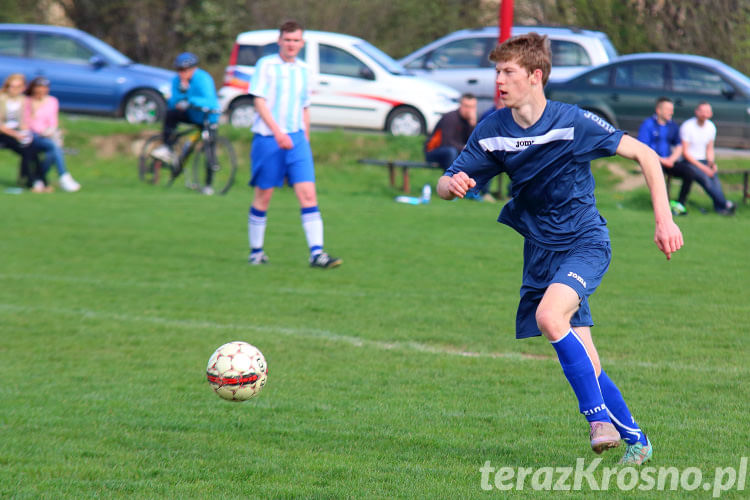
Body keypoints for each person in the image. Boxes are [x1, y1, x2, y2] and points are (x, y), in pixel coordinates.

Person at [437, 33, 683, 465]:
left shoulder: (573, 122)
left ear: (535, 76)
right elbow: (445, 182)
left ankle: (596, 420)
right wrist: (450, 185)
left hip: (585, 242)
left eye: (508, 71)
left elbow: (645, 154)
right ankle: (638, 442)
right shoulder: (493, 129)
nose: (498, 80)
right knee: (588, 359)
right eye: (497, 71)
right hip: (540, 253)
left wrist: (664, 219)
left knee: (549, 316)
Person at [246, 20, 342, 269]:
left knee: (308, 194)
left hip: (297, 138)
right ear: (280, 41)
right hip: (269, 137)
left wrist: (305, 139)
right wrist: (277, 133)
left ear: (302, 43)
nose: (291, 45)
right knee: (263, 195)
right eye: (287, 40)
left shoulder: (304, 70)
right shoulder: (266, 65)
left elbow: (304, 107)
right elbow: (259, 101)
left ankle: (317, 253)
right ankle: (256, 251)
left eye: (295, 40)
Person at [151, 52, 219, 195]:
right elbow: (174, 101)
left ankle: (208, 185)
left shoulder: (203, 78)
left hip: (207, 117)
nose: (182, 73)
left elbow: (209, 100)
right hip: (192, 114)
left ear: (193, 68)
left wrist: (189, 100)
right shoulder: (177, 81)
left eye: (185, 70)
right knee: (171, 115)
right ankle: (167, 147)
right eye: (179, 70)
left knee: (209, 152)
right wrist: (181, 97)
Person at [675, 102, 735, 215]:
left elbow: (709, 149)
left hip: (704, 160)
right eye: (702, 111)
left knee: (715, 181)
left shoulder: (711, 127)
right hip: (689, 161)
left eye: (707, 112)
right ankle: (726, 204)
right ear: (696, 112)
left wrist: (711, 164)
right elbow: (685, 152)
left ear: (711, 113)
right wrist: (703, 168)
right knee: (705, 180)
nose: (704, 114)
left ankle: (720, 208)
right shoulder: (688, 126)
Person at [23, 77, 81, 192]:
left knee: (53, 149)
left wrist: (51, 132)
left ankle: (38, 179)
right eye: (39, 87)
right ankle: (63, 176)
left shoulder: (52, 101)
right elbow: (26, 122)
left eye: (44, 88)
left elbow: (53, 122)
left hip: (47, 135)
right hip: (31, 135)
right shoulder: (27, 101)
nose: (41, 90)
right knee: (54, 146)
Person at [637, 97, 689, 215]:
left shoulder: (672, 126)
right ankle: (663, 208)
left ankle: (680, 204)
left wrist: (672, 159)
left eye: (672, 109)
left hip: (669, 161)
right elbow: (643, 148)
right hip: (653, 161)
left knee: (690, 173)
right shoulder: (648, 124)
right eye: (668, 109)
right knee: (659, 178)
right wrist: (661, 160)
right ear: (658, 110)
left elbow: (679, 145)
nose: (671, 112)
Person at [0, 74, 45, 192]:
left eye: (17, 87)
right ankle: (31, 181)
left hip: (18, 132)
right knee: (26, 151)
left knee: (32, 149)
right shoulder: (2, 99)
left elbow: (24, 121)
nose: (14, 89)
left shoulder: (23, 100)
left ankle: (40, 180)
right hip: (4, 133)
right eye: (12, 86)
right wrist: (16, 135)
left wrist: (25, 133)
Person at [424, 93, 477, 171]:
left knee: (480, 156)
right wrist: (463, 148)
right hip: (434, 150)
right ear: (460, 105)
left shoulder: (472, 121)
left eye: (472, 107)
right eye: (466, 106)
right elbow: (446, 142)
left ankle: (478, 183)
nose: (469, 110)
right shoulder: (450, 117)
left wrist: (472, 125)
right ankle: (449, 180)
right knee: (451, 152)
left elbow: (472, 143)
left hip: (457, 152)